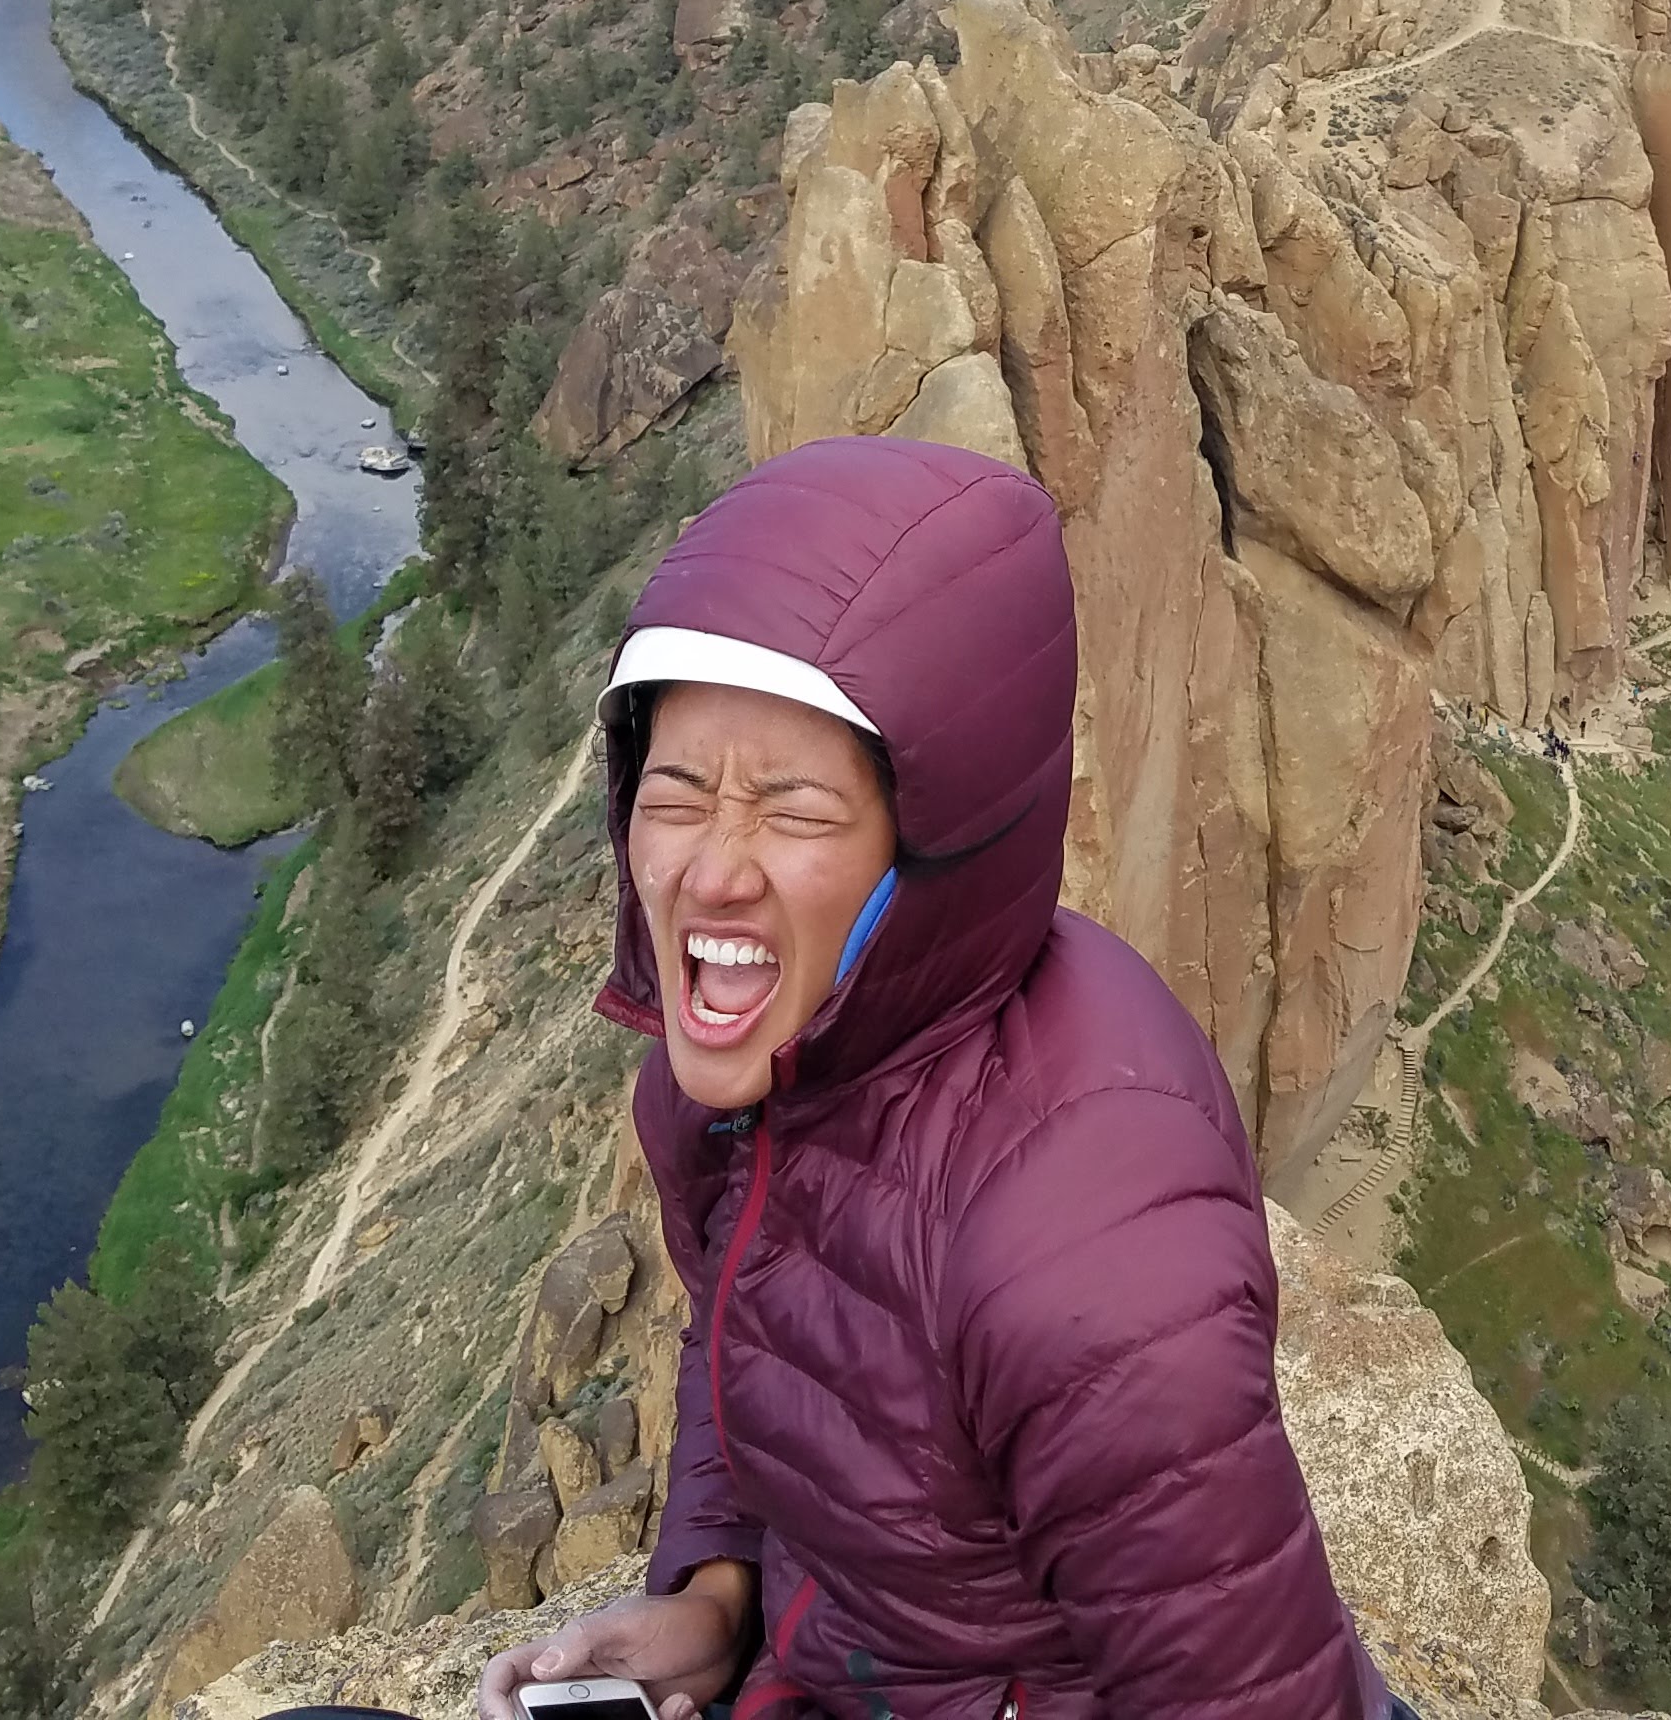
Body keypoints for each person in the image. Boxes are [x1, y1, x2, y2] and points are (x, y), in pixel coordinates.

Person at [481, 435, 1390, 1720]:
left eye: (793, 809)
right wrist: (715, 1599)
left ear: (938, 848)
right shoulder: (737, 1086)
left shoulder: (1084, 1244)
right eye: (675, 792)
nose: (708, 869)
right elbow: (753, 1342)